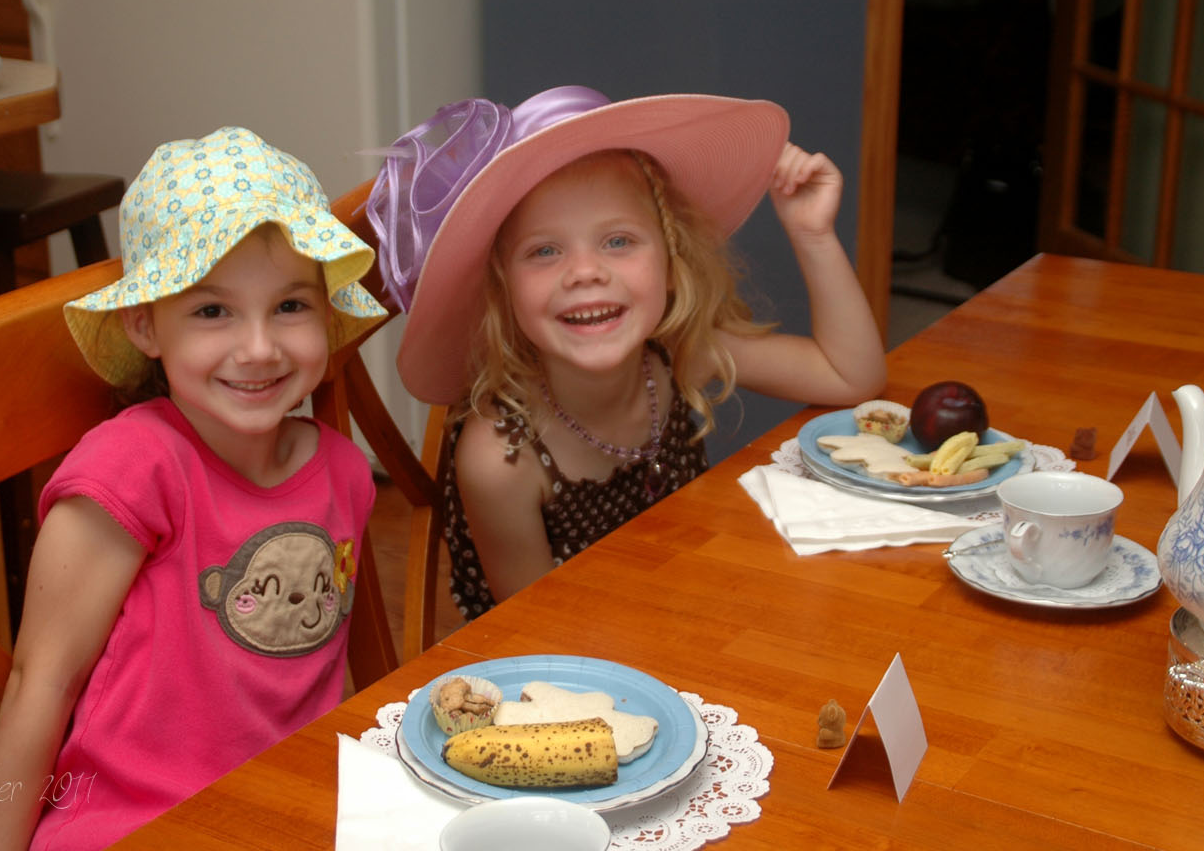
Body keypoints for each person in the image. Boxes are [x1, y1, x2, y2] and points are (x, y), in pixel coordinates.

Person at [0, 127, 387, 851]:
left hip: (292, 815)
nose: (258, 348)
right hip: (133, 825)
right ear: (145, 325)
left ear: (327, 313)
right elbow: (40, 685)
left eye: (290, 306)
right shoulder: (131, 469)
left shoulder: (344, 473)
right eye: (211, 311)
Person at [366, 86, 886, 619]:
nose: (585, 271)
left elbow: (850, 376)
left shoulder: (678, 350)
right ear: (502, 290)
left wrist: (812, 233)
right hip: (571, 652)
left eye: (617, 241)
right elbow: (539, 633)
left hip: (683, 608)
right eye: (544, 250)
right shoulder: (502, 458)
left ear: (671, 260)